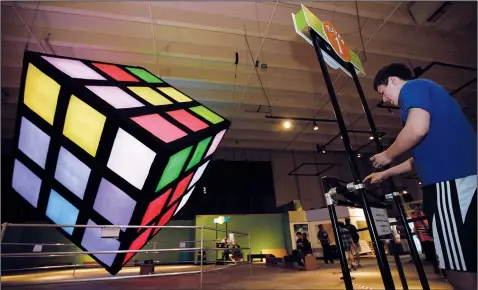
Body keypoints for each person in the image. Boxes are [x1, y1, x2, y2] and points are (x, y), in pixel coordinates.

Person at [363, 63, 477, 290]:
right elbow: (417, 159)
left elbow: (416, 129)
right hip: (463, 179)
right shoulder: (432, 97)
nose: (384, 99)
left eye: (382, 92)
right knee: (468, 252)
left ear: (393, 80)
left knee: (455, 262)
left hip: (449, 182)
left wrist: (387, 155)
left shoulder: (414, 88)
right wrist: (386, 172)